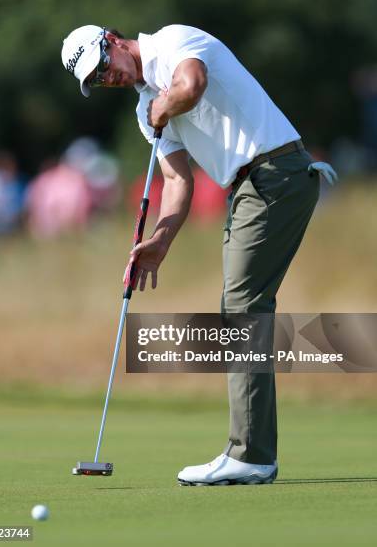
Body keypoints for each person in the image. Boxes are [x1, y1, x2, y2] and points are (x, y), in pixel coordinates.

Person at [61, 24, 337, 485]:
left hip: (276, 173)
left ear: (112, 40)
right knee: (243, 309)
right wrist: (160, 242)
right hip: (252, 187)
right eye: (95, 80)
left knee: (243, 310)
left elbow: (191, 86)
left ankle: (250, 455)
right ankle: (253, 451)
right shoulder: (144, 108)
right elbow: (176, 182)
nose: (105, 78)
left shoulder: (173, 42)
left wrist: (160, 108)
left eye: (102, 66)